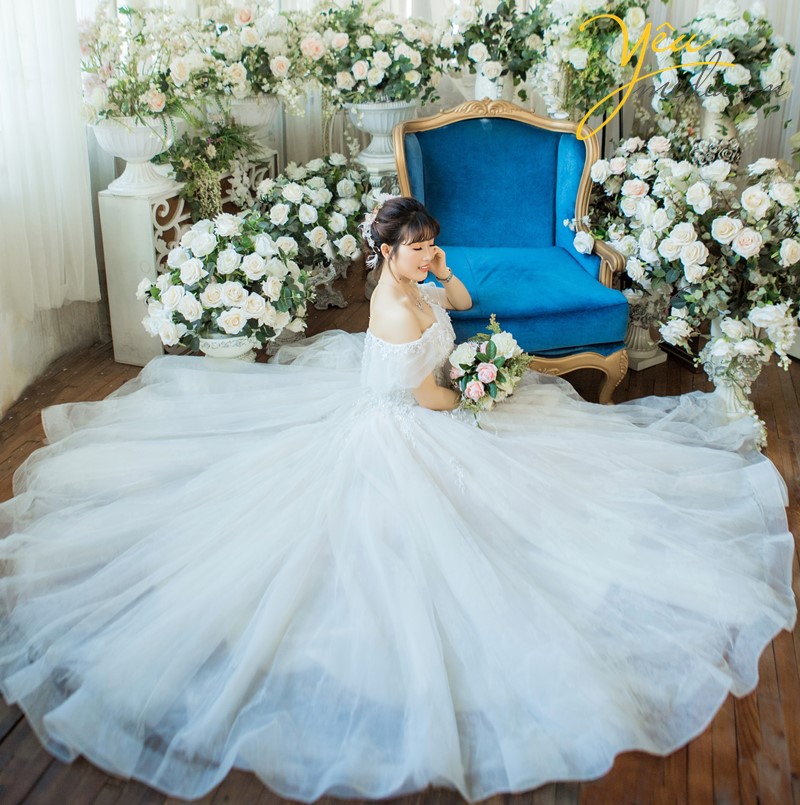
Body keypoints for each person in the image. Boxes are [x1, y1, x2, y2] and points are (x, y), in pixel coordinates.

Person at [0, 196, 795, 802]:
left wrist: (444, 275)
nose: (425, 254)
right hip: (408, 424)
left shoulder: (417, 284)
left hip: (430, 394)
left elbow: (460, 307)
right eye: (416, 247)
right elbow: (430, 398)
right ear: (384, 252)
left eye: (427, 244)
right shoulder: (388, 307)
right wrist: (486, 387)